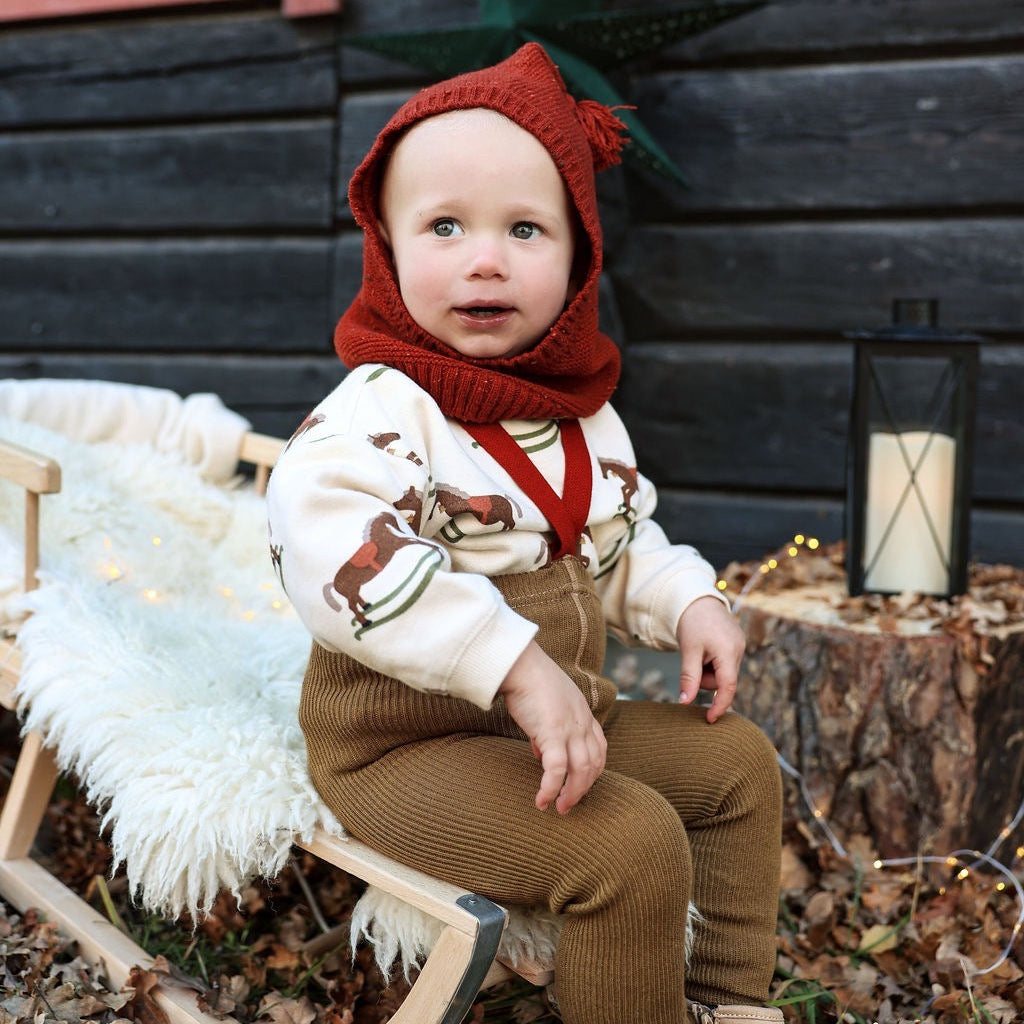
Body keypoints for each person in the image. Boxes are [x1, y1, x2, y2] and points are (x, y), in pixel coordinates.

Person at [266, 42, 783, 1024]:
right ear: (386, 245)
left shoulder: (581, 413)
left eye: (526, 228)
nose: (486, 258)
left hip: (561, 719)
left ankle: (728, 998)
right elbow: (331, 540)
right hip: (408, 748)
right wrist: (511, 662)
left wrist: (690, 601)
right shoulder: (382, 408)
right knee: (625, 843)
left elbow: (620, 541)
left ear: (580, 256)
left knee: (737, 769)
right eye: (446, 226)